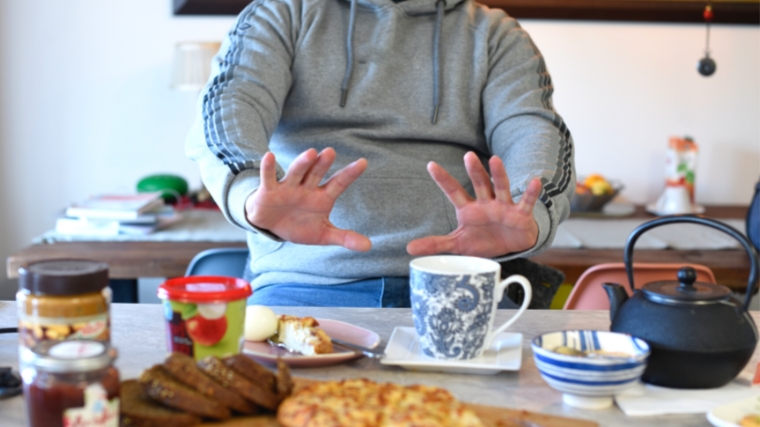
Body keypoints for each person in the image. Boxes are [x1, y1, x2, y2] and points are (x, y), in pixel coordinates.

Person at [186, 0, 576, 307]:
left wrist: (533, 213)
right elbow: (231, 103)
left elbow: (532, 128)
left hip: (458, 280)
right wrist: (249, 192)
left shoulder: (496, 33)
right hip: (301, 280)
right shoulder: (280, 12)